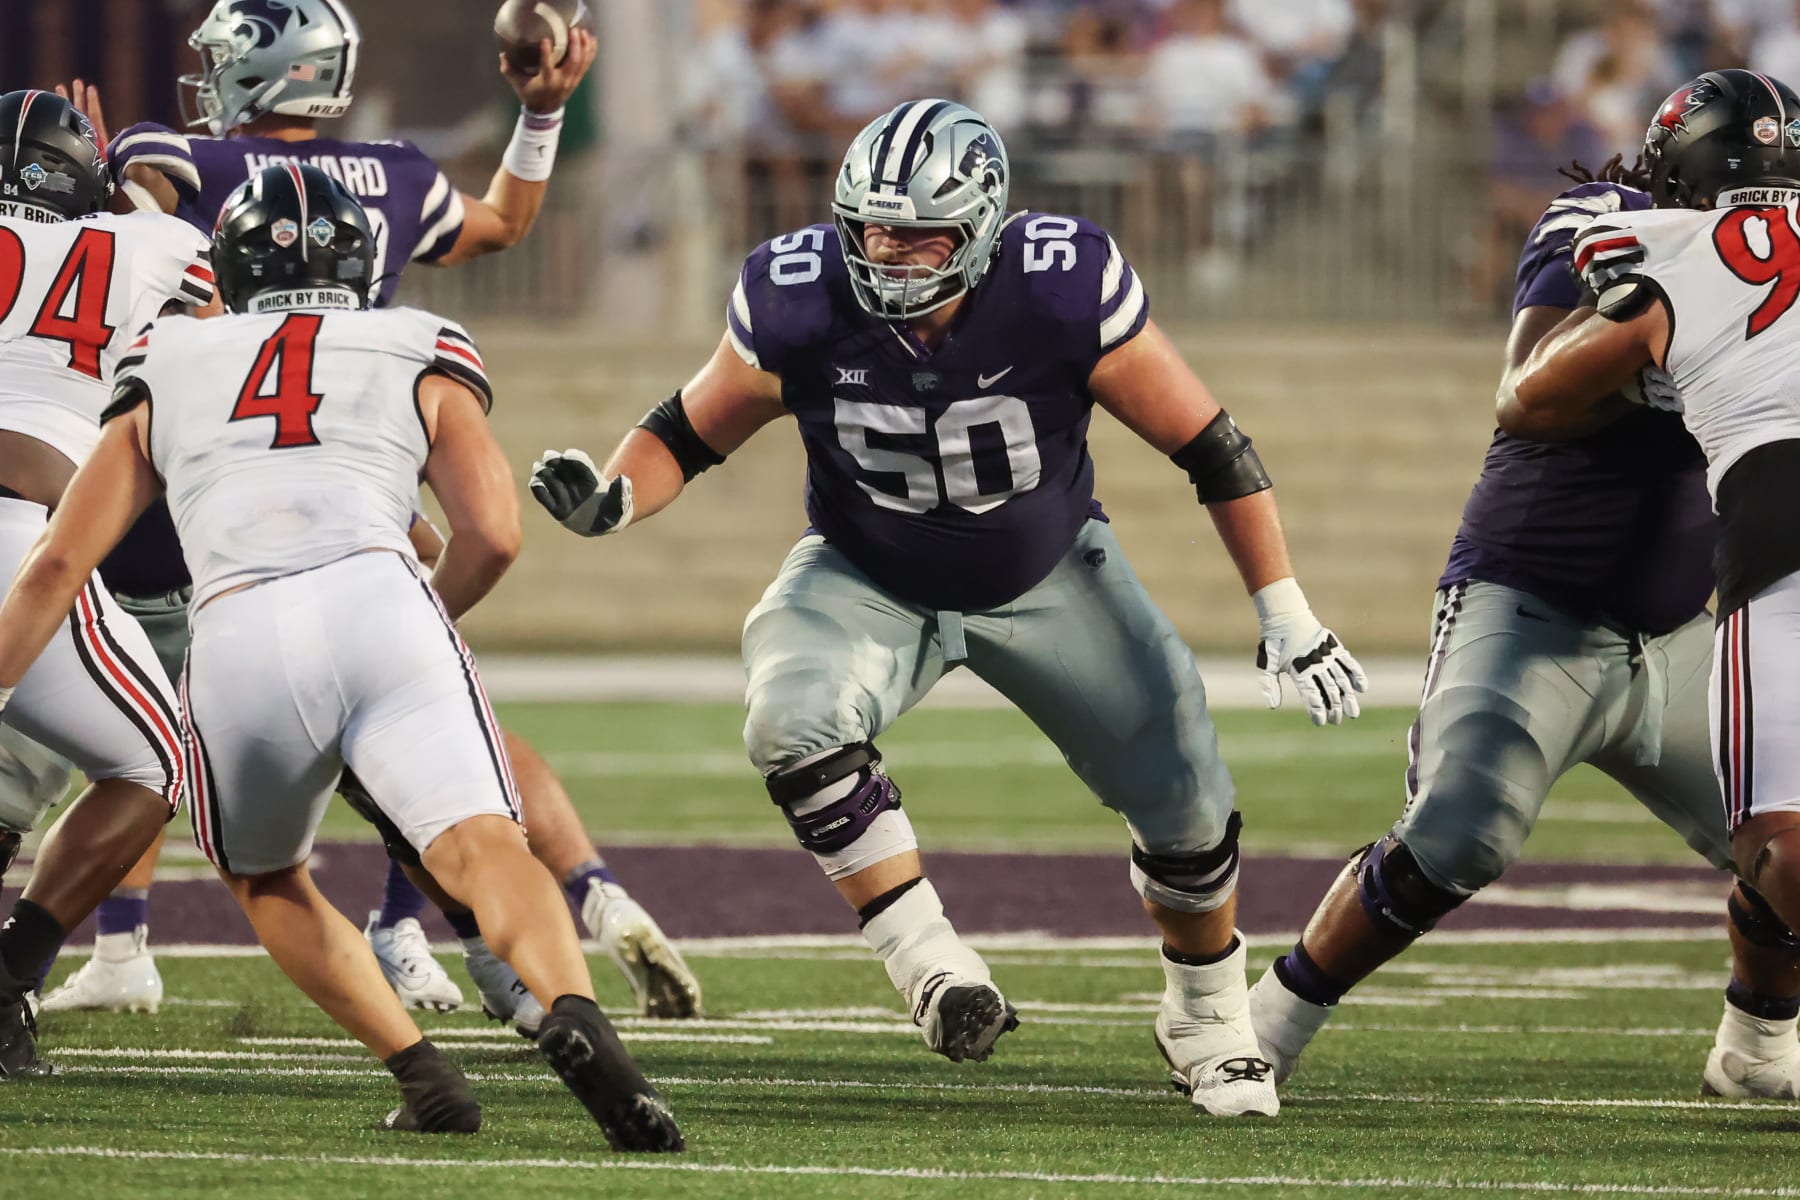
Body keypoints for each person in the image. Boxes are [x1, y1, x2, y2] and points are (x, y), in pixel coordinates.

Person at [530, 98, 1367, 1118]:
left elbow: (1210, 445)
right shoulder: (797, 295)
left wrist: (1285, 611)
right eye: (874, 229)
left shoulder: (1060, 286)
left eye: (921, 232)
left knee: (1187, 789)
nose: (891, 253)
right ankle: (931, 965)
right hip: (867, 571)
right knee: (787, 717)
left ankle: (1207, 1015)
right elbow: (687, 430)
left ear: (983, 225)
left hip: (1050, 571)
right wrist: (618, 502)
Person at [38, 0, 699, 1027]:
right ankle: (493, 936)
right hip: (356, 483)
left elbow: (115, 254)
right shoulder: (393, 176)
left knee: (146, 742)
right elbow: (507, 224)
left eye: (221, 59)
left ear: (266, 70)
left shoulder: (176, 160)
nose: (202, 75)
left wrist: (72, 175)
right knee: (413, 727)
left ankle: (124, 946)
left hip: (202, 473)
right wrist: (538, 113)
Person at [1248, 68, 1800, 1102]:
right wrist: (1676, 355)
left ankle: (1759, 1040)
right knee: (1462, 827)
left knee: (1787, 827)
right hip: (1536, 595)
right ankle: (1267, 1022)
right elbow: (1529, 389)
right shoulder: (1606, 225)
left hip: (1685, 625)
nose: (1761, 216)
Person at [1512, 71, 1800, 1087]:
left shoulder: (1657, 241)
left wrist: (1659, 372)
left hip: (1779, 533)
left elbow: (1526, 400)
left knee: (1777, 841)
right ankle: (1757, 1039)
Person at [0, 89, 217, 1077]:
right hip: (20, 532)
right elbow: (217, 317)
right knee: (157, 764)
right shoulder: (146, 242)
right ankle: (10, 980)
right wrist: (126, 182)